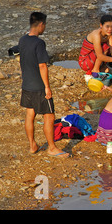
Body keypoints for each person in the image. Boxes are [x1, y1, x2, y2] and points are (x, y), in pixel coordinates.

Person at [19, 12, 69, 158]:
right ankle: (52, 148)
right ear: (41, 24)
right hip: (39, 86)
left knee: (30, 114)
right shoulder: (39, 43)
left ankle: (32, 145)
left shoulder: (22, 40)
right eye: (45, 25)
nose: (44, 28)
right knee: (49, 116)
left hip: (26, 84)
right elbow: (42, 66)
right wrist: (47, 86)